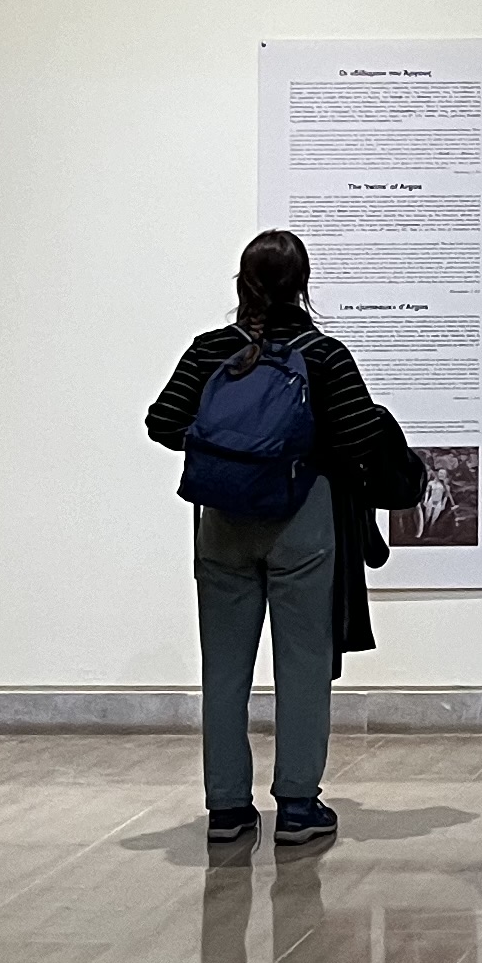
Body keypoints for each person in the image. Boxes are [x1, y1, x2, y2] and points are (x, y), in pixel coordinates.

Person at [146, 230, 394, 847]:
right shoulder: (324, 355)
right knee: (302, 665)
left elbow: (163, 422)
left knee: (223, 671)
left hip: (222, 523)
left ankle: (228, 809)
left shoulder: (209, 351)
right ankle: (299, 807)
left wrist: (231, 449)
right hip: (303, 518)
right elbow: (361, 435)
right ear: (303, 285)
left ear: (242, 282)